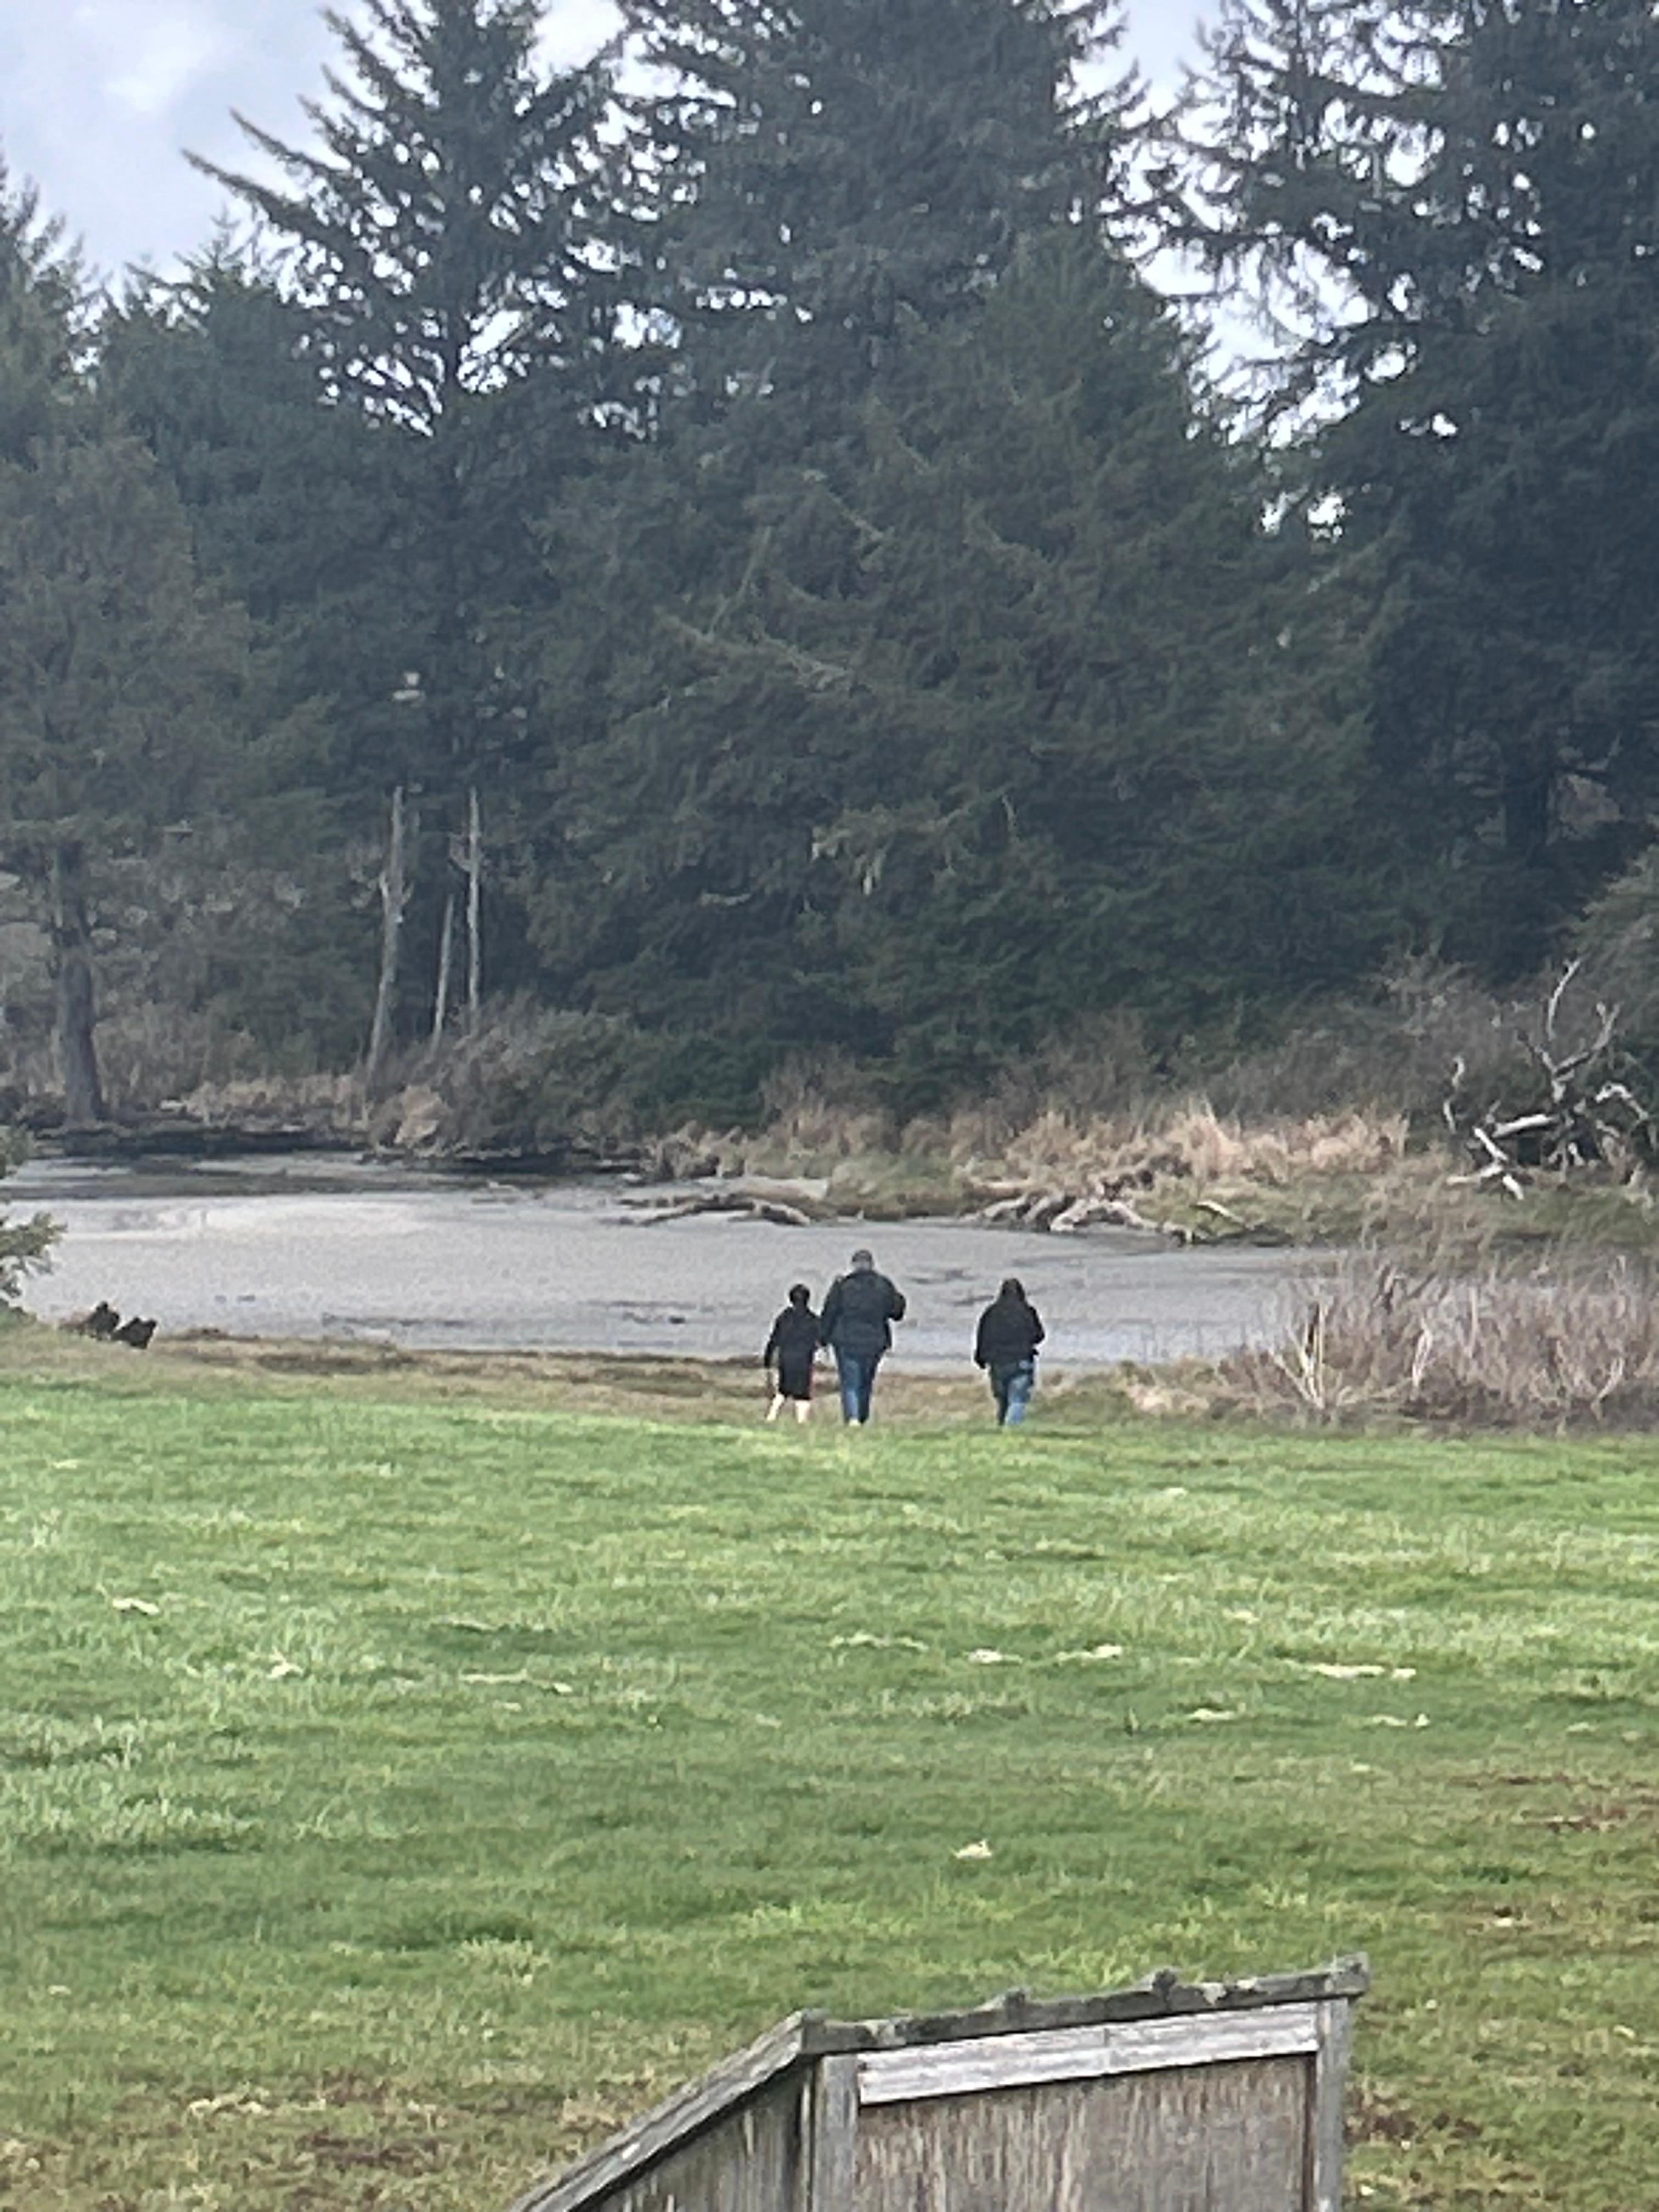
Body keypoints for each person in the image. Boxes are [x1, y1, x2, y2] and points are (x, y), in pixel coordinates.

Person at [819, 1247, 907, 1425]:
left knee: (850, 1381)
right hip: (875, 1341)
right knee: (866, 1381)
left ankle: (853, 1418)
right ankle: (862, 1416)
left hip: (846, 1339)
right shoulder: (883, 1285)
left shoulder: (843, 1286)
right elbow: (897, 1312)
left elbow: (830, 1313)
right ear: (872, 1265)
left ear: (854, 1266)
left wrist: (823, 1338)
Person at [973, 1277, 1045, 1426]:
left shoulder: (991, 1313)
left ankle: (1003, 1427)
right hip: (1021, 1361)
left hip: (998, 1363)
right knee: (1018, 1400)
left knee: (1003, 1400)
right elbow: (1039, 1335)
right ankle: (1011, 1430)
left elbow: (983, 1337)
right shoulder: (1027, 1312)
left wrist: (980, 1358)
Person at [762, 1283, 820, 1425]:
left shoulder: (784, 1318)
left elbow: (774, 1340)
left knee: (784, 1390)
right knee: (803, 1393)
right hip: (804, 1360)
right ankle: (802, 1421)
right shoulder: (813, 1319)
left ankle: (771, 1416)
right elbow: (821, 1339)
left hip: (786, 1359)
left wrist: (768, 1360)